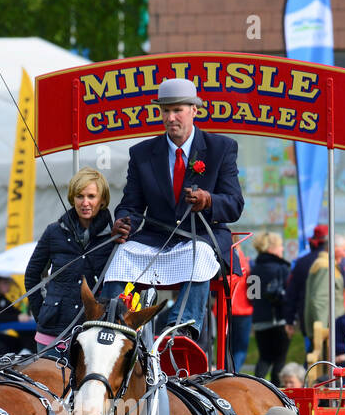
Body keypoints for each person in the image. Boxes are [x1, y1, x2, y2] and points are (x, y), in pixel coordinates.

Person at [103, 77, 245, 337]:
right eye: (165, 111)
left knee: (200, 254)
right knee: (121, 255)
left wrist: (209, 200)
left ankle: (181, 329)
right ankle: (112, 325)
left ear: (195, 110)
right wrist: (124, 221)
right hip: (156, 237)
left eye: (177, 110)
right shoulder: (142, 153)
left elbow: (235, 205)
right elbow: (130, 206)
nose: (170, 118)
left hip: (202, 236)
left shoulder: (222, 148)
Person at [24, 167, 115, 349]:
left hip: (94, 332)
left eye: (91, 196)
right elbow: (32, 276)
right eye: (79, 196)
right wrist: (43, 312)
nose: (85, 202)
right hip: (51, 333)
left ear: (102, 200)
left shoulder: (114, 238)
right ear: (72, 198)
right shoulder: (53, 232)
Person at [249, 231, 293, 383]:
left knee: (264, 358)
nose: (282, 250)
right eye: (280, 246)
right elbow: (287, 296)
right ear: (272, 248)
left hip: (259, 320)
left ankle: (256, 387)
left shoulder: (254, 268)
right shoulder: (281, 268)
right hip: (278, 320)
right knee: (280, 359)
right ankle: (276, 393)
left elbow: (251, 296)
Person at [302, 240, 345, 356]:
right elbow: (320, 299)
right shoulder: (325, 266)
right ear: (334, 248)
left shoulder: (325, 264)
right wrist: (321, 331)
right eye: (344, 250)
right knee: (321, 363)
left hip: (327, 326)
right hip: (327, 327)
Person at [285, 224, 327, 332]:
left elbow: (291, 293)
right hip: (332, 319)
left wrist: (289, 320)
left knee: (311, 348)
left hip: (307, 319)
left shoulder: (301, 262)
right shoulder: (335, 262)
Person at [228, 241, 254, 372]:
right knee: (241, 348)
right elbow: (254, 287)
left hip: (226, 307)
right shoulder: (246, 261)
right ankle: (234, 373)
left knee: (227, 347)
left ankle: (227, 372)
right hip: (243, 308)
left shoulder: (225, 256)